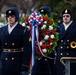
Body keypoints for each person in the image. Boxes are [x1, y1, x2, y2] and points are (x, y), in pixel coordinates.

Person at [0, 7, 32, 75]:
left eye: (12, 16)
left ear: (16, 17)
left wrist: (25, 67)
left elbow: (27, 50)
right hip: (3, 62)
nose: (10, 18)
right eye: (8, 16)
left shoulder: (24, 30)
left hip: (17, 62)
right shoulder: (2, 30)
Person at [31, 6, 56, 75]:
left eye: (44, 14)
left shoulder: (53, 27)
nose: (42, 17)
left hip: (48, 57)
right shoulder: (35, 26)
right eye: (41, 14)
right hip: (37, 57)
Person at [55, 9, 76, 75]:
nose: (65, 18)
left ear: (70, 17)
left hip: (71, 54)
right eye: (64, 16)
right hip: (60, 54)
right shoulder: (58, 27)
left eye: (67, 16)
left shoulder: (74, 26)